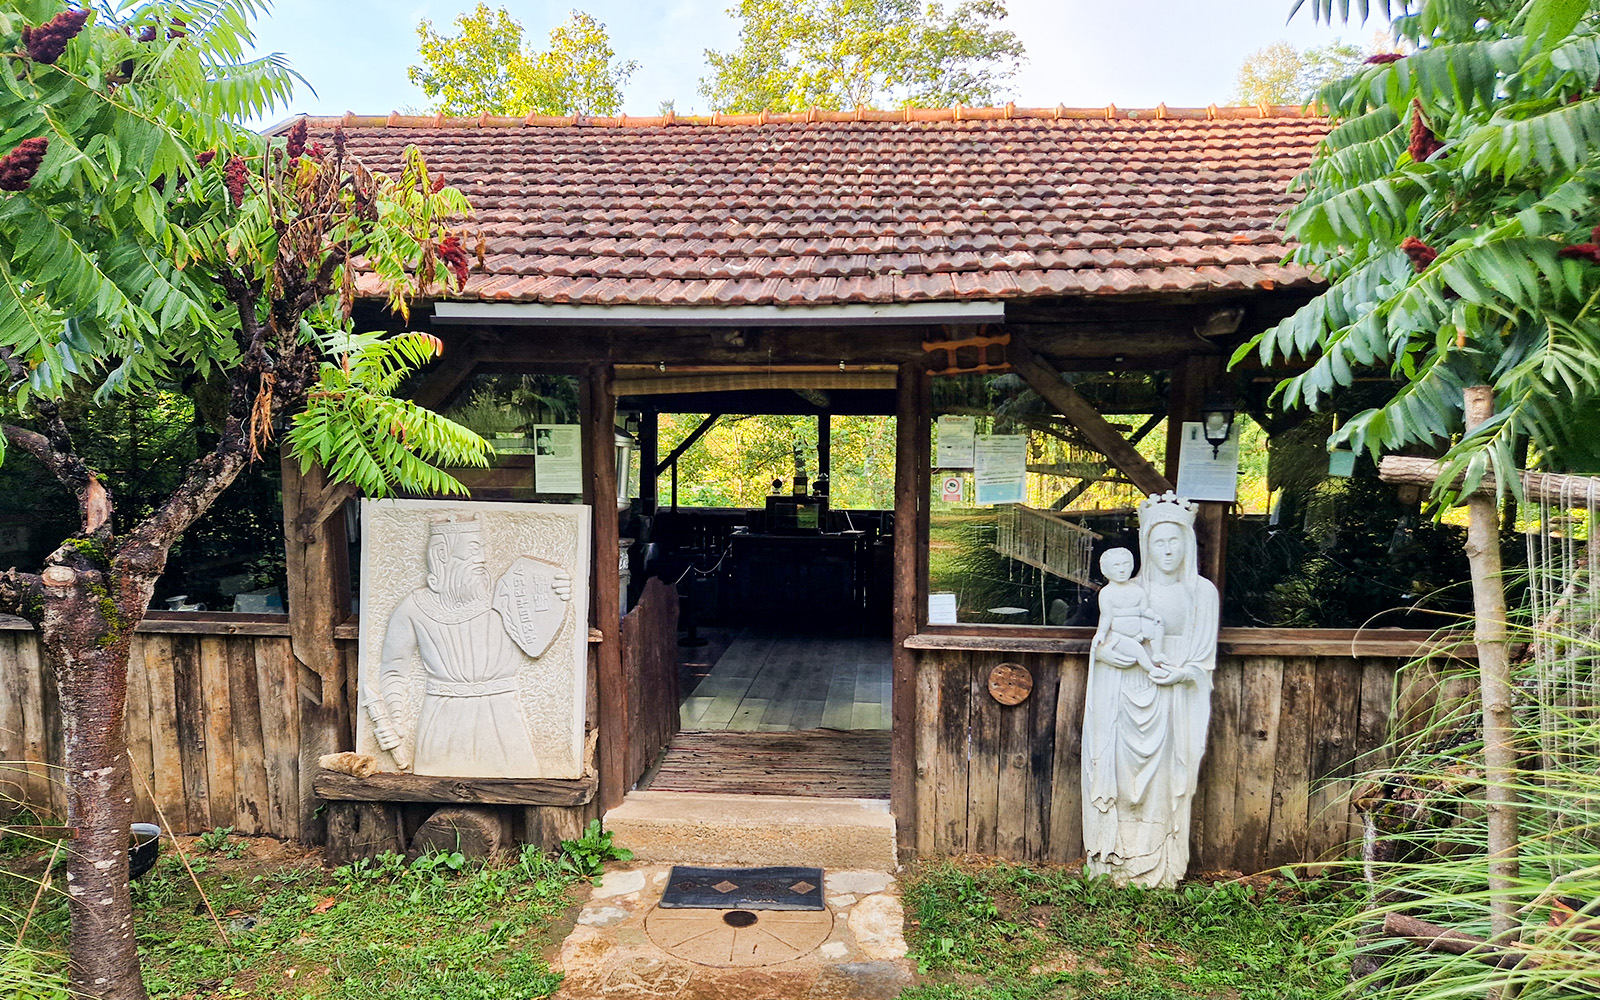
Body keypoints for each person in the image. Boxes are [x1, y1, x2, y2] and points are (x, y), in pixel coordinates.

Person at [1082, 492, 1219, 889]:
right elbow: (1101, 642)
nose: (1167, 549)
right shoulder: (1126, 589)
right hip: (1125, 692)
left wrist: (1180, 674)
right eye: (1158, 541)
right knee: (1122, 779)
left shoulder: (1202, 594)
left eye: (1175, 539)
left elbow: (1203, 660)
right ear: (1145, 545)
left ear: (1188, 543)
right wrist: (1109, 658)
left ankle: (1161, 866)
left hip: (1175, 700)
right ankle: (1116, 859)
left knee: (1167, 783)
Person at [368, 515, 568, 777]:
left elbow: (538, 631)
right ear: (442, 554)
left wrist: (558, 594)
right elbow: (393, 670)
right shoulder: (412, 609)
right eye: (474, 549)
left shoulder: (506, 597)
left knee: (518, 777)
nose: (483, 558)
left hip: (502, 716)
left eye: (482, 549)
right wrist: (394, 720)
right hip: (442, 718)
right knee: (436, 780)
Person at [1093, 547, 1167, 681]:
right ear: (1105, 570)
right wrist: (1101, 633)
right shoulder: (1107, 593)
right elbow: (1106, 616)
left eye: (1126, 564)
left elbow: (1143, 611)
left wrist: (1154, 617)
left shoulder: (1138, 590)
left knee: (1156, 626)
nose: (1122, 570)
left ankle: (1157, 653)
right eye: (1116, 566)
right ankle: (1152, 670)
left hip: (1139, 629)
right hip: (1121, 636)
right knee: (1138, 651)